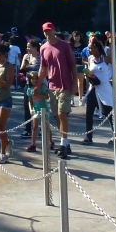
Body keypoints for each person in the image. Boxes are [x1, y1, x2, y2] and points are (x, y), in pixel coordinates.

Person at [37, 22, 78, 159]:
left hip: (65, 85)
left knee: (62, 114)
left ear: (54, 30)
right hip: (52, 86)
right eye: (45, 31)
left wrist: (75, 84)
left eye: (49, 30)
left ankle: (62, 144)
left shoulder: (64, 45)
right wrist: (37, 86)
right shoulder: (43, 48)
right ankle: (65, 142)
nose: (47, 33)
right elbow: (43, 68)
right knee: (56, 115)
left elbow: (73, 65)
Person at [81, 40, 115, 144]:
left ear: (97, 48)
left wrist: (114, 77)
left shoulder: (106, 58)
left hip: (104, 87)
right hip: (94, 87)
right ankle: (88, 136)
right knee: (89, 112)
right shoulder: (90, 59)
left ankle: (115, 135)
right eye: (88, 48)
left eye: (91, 48)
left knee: (109, 112)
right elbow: (90, 71)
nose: (89, 50)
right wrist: (89, 76)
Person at [19, 39, 42, 137]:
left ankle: (40, 128)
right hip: (28, 84)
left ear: (35, 47)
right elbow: (21, 69)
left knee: (39, 107)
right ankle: (27, 129)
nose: (27, 49)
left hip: (39, 85)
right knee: (27, 107)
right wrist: (24, 64)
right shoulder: (26, 56)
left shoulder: (41, 57)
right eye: (27, 47)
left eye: (29, 47)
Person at [25, 71, 50, 153]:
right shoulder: (29, 89)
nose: (35, 81)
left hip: (44, 109)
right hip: (35, 109)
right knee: (35, 127)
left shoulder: (42, 87)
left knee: (46, 127)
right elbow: (29, 101)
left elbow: (46, 96)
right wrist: (30, 109)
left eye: (36, 79)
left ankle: (51, 142)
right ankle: (33, 144)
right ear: (30, 80)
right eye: (33, 79)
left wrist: (38, 95)